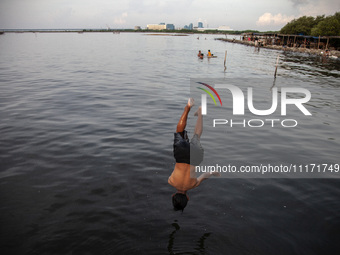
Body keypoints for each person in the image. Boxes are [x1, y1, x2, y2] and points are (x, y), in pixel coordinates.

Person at [168, 98, 220, 211]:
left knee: (197, 135)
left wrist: (214, 172)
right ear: (173, 195)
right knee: (179, 132)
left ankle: (200, 112)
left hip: (195, 158)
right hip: (181, 156)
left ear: (188, 197)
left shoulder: (193, 185)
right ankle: (188, 108)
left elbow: (206, 175)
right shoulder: (171, 181)